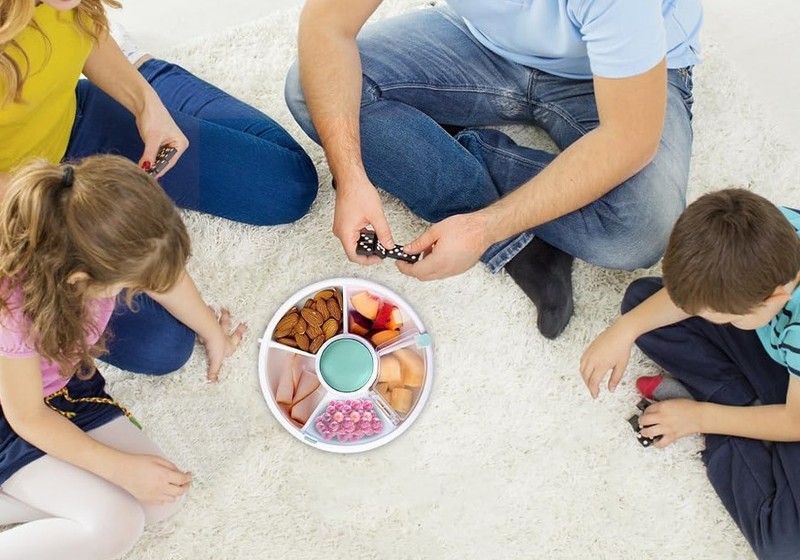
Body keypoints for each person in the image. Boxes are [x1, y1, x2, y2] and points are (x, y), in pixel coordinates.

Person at [284, 0, 701, 339]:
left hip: (606, 76)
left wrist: (485, 228)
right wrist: (353, 176)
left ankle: (444, 149)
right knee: (310, 88)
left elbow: (629, 138)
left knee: (639, 230)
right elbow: (327, 25)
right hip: (483, 46)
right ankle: (525, 240)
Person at [1, 0, 317, 374]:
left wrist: (146, 104)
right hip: (16, 202)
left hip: (71, 123)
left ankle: (148, 71)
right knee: (162, 348)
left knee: (286, 187)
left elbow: (84, 25)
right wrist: (80, 222)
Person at [0, 155, 247, 560]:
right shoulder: (16, 312)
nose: (138, 290)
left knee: (163, 499)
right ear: (80, 280)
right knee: (118, 522)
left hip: (65, 387)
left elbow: (160, 274)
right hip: (13, 416)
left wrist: (210, 329)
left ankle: (21, 502)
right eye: (129, 285)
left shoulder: (83, 231)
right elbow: (27, 416)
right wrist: (116, 468)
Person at [580, 189, 800, 559]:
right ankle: (748, 412)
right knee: (640, 305)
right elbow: (689, 299)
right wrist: (625, 329)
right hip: (783, 362)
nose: (720, 321)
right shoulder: (777, 229)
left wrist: (699, 418)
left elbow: (795, 423)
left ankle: (731, 420)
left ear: (774, 298)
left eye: (728, 318)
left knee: (785, 546)